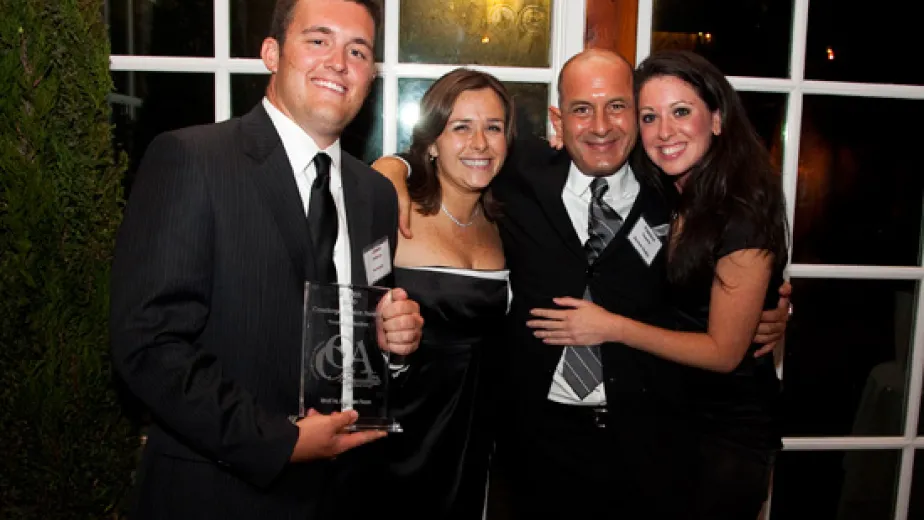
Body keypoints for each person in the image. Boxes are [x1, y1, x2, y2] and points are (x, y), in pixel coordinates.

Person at [375, 48, 790, 519]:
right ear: (558, 120)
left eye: (617, 106)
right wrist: (392, 170)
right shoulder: (517, 173)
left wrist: (773, 306)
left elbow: (719, 272)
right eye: (581, 109)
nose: (599, 126)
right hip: (533, 445)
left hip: (650, 444)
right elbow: (447, 149)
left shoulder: (671, 190)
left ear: (636, 117)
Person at [108, 1, 424, 518]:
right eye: (318, 40)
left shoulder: (374, 195)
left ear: (371, 74)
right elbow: (148, 344)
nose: (339, 62)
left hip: (349, 489)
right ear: (272, 53)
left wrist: (392, 345)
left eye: (358, 50)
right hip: (222, 490)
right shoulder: (193, 160)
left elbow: (361, 328)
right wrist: (276, 442)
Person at [528, 49, 788, 519]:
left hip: (722, 433)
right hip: (664, 426)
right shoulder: (673, 191)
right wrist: (397, 170)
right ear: (559, 119)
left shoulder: (740, 209)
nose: (665, 132)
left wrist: (611, 326)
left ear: (717, 118)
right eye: (651, 116)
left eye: (681, 112)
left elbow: (725, 349)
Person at [363, 68, 512, 520]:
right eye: (461, 127)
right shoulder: (393, 212)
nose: (480, 144)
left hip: (476, 435)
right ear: (431, 141)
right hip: (398, 433)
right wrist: (392, 164)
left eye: (494, 127)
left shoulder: (508, 221)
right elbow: (340, 323)